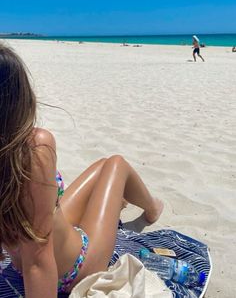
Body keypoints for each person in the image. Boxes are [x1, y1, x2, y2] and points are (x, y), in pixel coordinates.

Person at [0, 43, 164, 298]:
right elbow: (39, 261)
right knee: (116, 163)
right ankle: (152, 209)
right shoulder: (33, 147)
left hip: (26, 252)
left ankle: (116, 202)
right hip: (73, 270)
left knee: (102, 165)